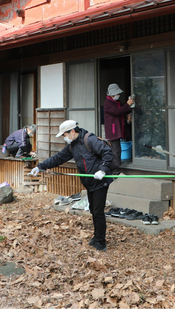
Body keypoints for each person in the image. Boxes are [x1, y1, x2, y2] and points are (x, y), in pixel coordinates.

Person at [29, 120, 113, 251]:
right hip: (90, 182)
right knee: (93, 210)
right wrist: (40, 166)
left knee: (98, 211)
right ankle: (97, 237)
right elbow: (58, 158)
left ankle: (101, 242)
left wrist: (102, 170)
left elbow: (107, 153)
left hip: (100, 180)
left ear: (72, 131)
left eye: (64, 135)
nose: (64, 138)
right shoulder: (72, 146)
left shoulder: (89, 139)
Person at [103, 83, 133, 171]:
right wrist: (127, 105)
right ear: (112, 94)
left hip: (118, 128)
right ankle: (116, 169)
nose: (118, 95)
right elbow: (117, 111)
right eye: (117, 94)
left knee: (116, 150)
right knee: (116, 150)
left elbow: (123, 110)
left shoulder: (117, 102)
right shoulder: (107, 103)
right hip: (113, 130)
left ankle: (116, 167)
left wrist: (129, 106)